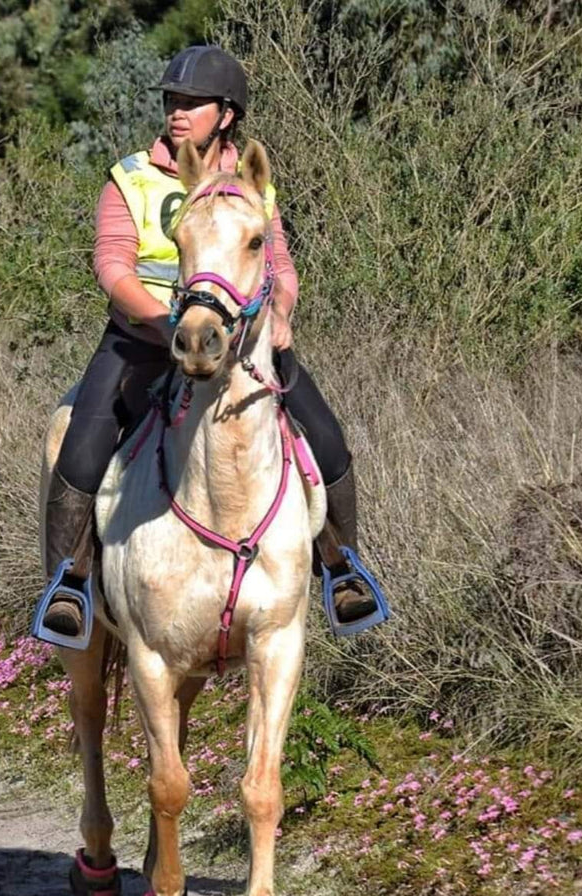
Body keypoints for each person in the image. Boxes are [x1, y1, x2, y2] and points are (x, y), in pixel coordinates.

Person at [34, 45, 383, 646]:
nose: (177, 112)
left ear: (226, 113)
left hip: (242, 343)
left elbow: (279, 262)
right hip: (142, 342)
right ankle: (72, 582)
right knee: (84, 443)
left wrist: (279, 312)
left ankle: (342, 569)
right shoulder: (133, 178)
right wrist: (161, 322)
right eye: (172, 101)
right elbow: (112, 264)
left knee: (323, 436)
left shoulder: (251, 182)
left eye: (192, 103)